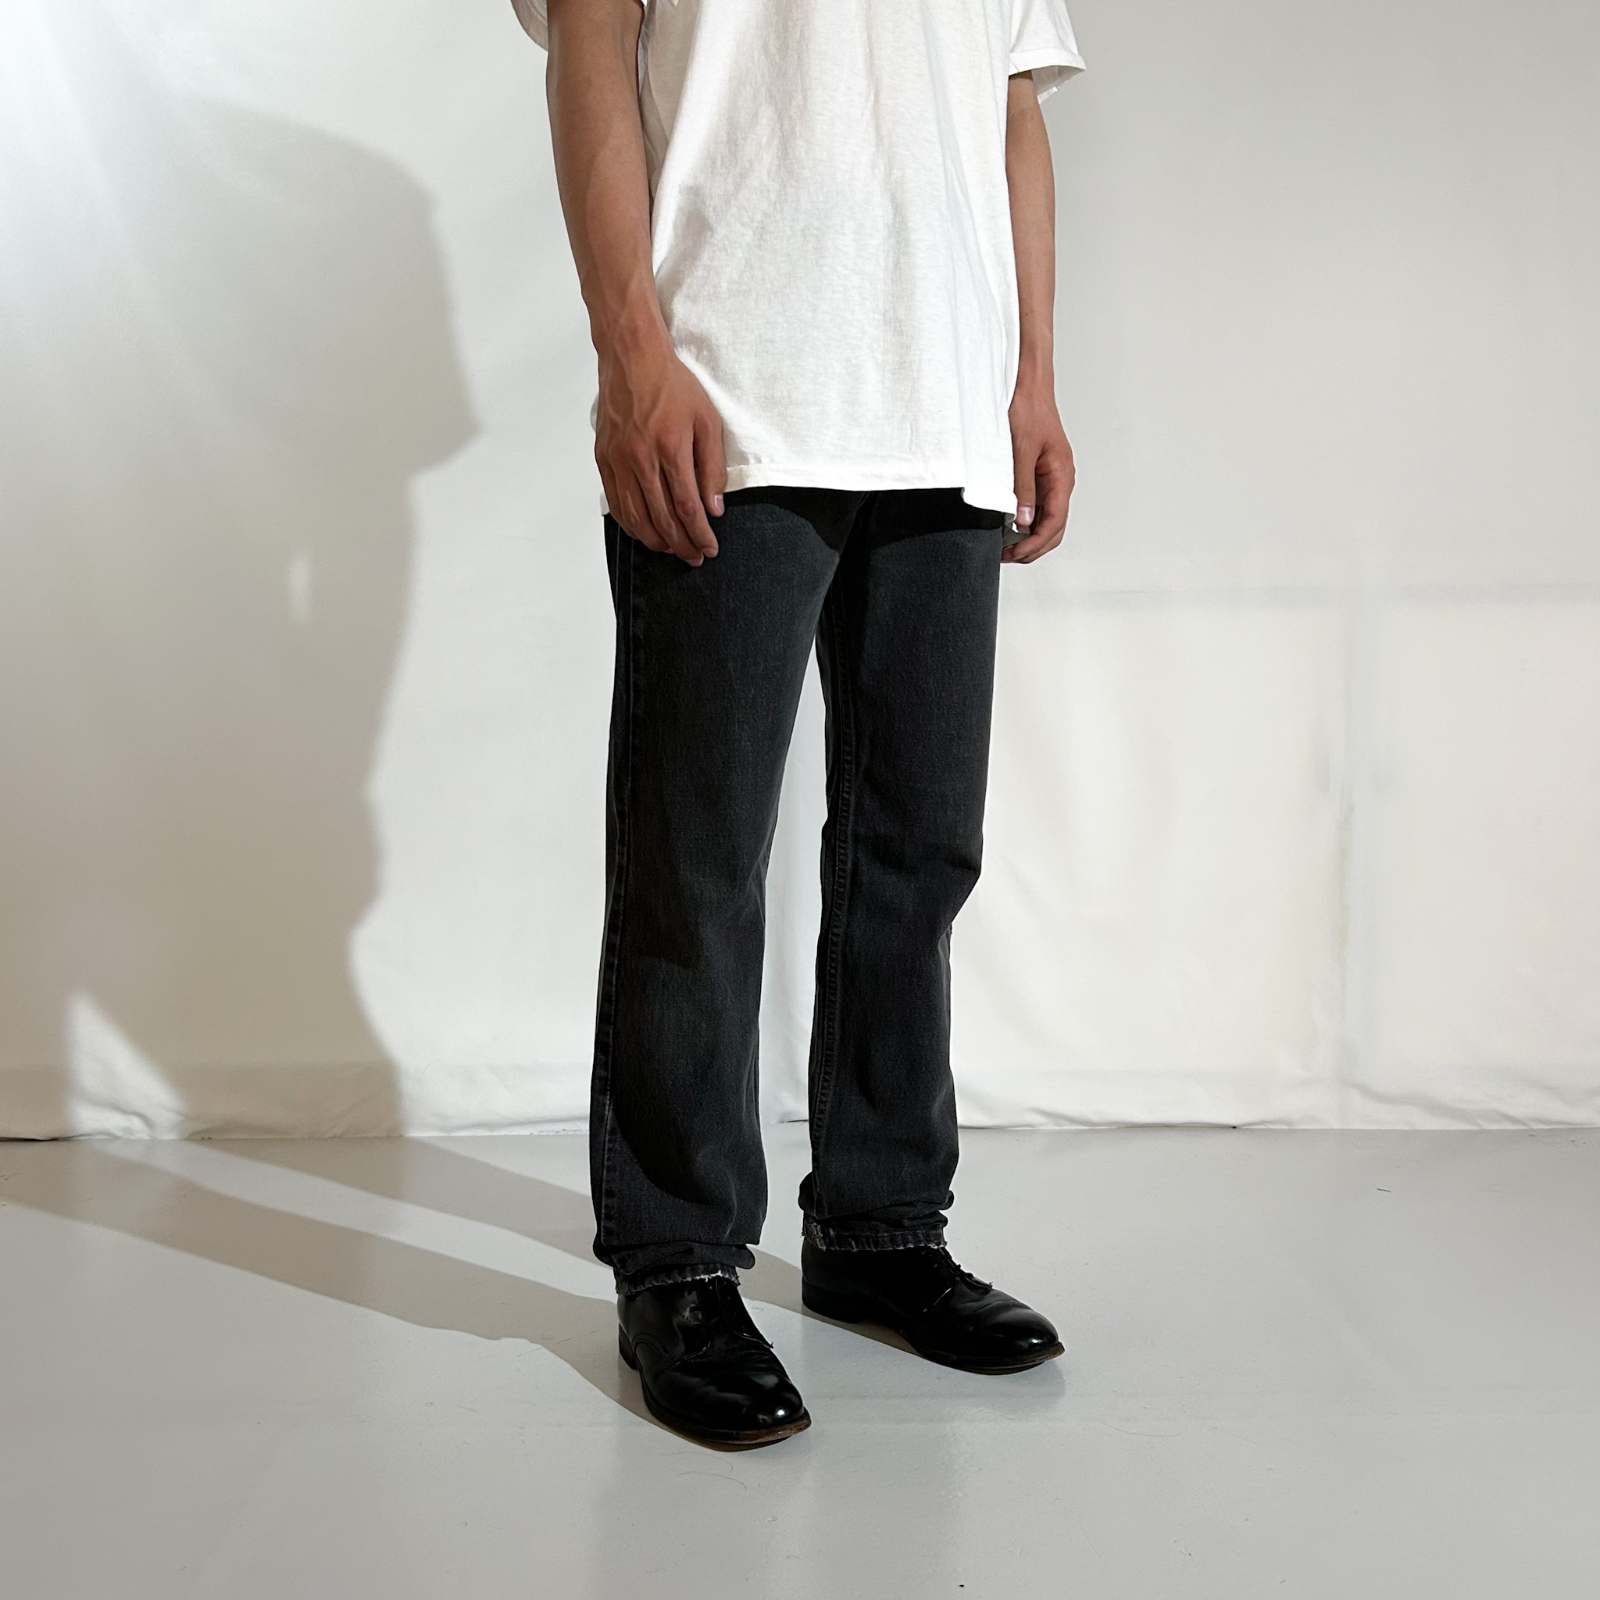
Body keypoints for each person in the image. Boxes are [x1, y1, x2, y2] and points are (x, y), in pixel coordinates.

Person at [515, 0, 1085, 1447]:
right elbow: (591, 51)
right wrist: (631, 356)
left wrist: (1031, 378)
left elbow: (1014, 109)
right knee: (695, 858)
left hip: (946, 399)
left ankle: (881, 1229)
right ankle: (679, 1263)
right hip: (733, 384)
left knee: (919, 854)